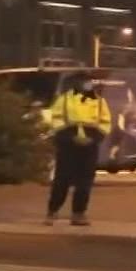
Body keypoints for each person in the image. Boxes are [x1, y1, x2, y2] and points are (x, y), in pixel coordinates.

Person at [45, 72, 113, 226]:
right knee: (62, 180)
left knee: (85, 182)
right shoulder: (63, 100)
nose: (87, 84)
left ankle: (78, 213)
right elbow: (56, 120)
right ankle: (52, 211)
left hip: (89, 146)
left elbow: (105, 123)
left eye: (89, 81)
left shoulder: (100, 102)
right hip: (68, 145)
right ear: (76, 83)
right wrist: (69, 138)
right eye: (84, 81)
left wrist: (94, 139)